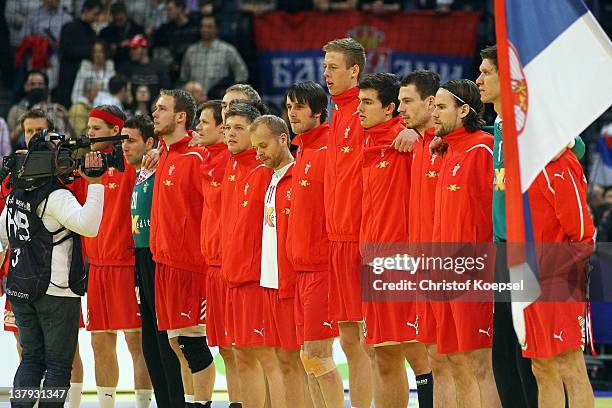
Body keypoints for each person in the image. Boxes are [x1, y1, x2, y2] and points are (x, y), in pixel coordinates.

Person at [475, 44, 585, 408]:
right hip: (507, 250)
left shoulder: (530, 124)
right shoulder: (500, 124)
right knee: (513, 354)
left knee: (558, 362)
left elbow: (574, 147)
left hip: (543, 256)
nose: (479, 79)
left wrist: (565, 140)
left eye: (486, 72)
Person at [321, 38, 416, 407]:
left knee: (381, 344)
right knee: (352, 340)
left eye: (333, 66)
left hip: (371, 241)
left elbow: (415, 121)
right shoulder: (340, 112)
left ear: (354, 70)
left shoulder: (368, 113)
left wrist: (414, 131)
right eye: (325, 66)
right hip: (340, 238)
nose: (326, 73)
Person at [0, 109, 104, 408]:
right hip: (56, 293)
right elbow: (89, 226)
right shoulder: (57, 197)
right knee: (58, 366)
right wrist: (95, 184)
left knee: (31, 359)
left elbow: (2, 238)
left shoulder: (15, 195)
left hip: (20, 290)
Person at [357, 72, 432, 408]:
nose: (359, 109)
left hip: (404, 260)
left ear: (388, 109)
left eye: (367, 102)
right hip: (374, 260)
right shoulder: (366, 141)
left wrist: (415, 132)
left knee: (420, 352)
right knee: (382, 355)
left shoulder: (407, 140)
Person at [430, 79, 500, 408]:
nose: (435, 113)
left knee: (480, 365)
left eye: (442, 107)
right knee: (454, 362)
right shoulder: (448, 150)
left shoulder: (483, 148)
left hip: (473, 273)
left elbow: (494, 216)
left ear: (464, 110)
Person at [83, 105, 153, 408]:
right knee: (99, 342)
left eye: (96, 128)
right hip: (97, 267)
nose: (89, 133)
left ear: (116, 131)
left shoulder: (132, 162)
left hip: (126, 264)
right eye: (89, 127)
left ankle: (142, 404)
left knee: (135, 341)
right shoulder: (86, 165)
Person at [150, 89, 216, 407]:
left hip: (192, 266)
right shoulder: (164, 153)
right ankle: (190, 402)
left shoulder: (196, 155)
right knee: (176, 343)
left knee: (193, 344)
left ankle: (201, 403)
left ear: (180, 117)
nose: (154, 113)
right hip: (165, 263)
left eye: (161, 109)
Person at [398, 70, 457, 407]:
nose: (400, 109)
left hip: (452, 262)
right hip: (422, 264)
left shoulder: (451, 141)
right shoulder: (421, 143)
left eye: (407, 101)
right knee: (435, 356)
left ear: (431, 102)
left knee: (459, 359)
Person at [285, 81, 344, 407]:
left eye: (299, 106)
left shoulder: (328, 149)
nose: (292, 112)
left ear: (318, 111)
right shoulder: (303, 149)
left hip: (321, 267)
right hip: (300, 268)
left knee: (318, 356)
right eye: (289, 106)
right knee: (307, 360)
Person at [251, 114, 309, 408]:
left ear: (283, 139)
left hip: (291, 281)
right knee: (281, 360)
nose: (259, 153)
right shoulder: (268, 177)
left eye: (263, 145)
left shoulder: (299, 174)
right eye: (256, 148)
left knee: (302, 361)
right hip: (269, 281)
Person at [221, 102, 273, 407]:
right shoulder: (231, 165)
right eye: (227, 127)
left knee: (266, 357)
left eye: (238, 127)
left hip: (256, 278)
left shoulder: (264, 170)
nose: (230, 133)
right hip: (233, 276)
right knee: (241, 355)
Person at [193, 100, 243, 407]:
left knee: (241, 350)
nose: (198, 128)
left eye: (205, 122)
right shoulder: (207, 159)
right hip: (212, 265)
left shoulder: (234, 161)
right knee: (226, 348)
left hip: (231, 266)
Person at [180, 14, 248, 97]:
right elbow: (183, 78)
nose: (205, 29)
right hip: (195, 101)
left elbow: (242, 74)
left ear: (217, 29)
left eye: (209, 27)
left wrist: (230, 92)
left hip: (218, 100)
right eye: (203, 26)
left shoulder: (227, 50)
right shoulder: (191, 51)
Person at [56, 0, 103, 107]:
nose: (96, 18)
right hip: (68, 76)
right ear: (86, 10)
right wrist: (89, 51)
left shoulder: (93, 32)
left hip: (84, 78)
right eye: (95, 14)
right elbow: (65, 51)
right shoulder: (69, 27)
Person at [118, 34, 170, 105]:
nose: (131, 51)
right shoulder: (126, 68)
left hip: (155, 109)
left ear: (145, 49)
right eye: (131, 48)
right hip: (133, 110)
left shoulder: (159, 67)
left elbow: (166, 88)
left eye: (134, 48)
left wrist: (159, 102)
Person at [99, 1, 145, 67]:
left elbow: (144, 49)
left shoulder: (138, 30)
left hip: (135, 67)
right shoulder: (105, 32)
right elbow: (103, 50)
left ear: (126, 14)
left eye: (120, 14)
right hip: (113, 66)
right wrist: (119, 45)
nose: (118, 17)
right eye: (115, 14)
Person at [71, 39, 115, 106]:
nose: (97, 55)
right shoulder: (84, 71)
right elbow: (75, 95)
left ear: (106, 53)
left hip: (108, 108)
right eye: (95, 52)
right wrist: (87, 101)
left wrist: (102, 86)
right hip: (88, 107)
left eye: (100, 52)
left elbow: (116, 93)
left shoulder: (111, 71)